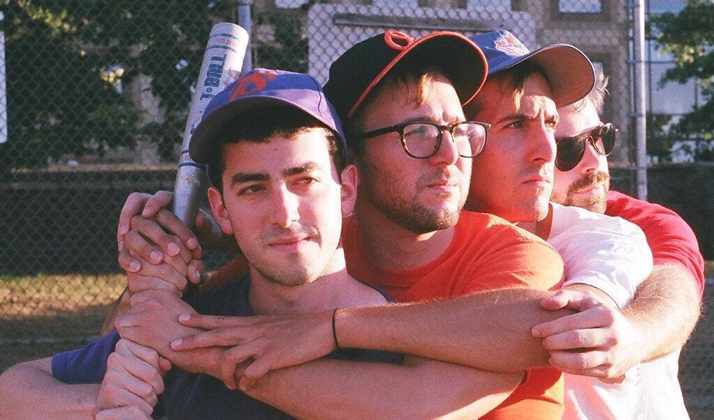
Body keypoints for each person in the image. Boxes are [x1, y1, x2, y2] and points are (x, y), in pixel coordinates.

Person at [0, 69, 521, 420]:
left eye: (304, 180)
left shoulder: (407, 346)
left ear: (347, 189)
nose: (284, 213)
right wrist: (103, 403)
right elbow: (15, 388)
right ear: (220, 209)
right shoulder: (180, 326)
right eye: (253, 189)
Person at [112, 30, 573, 419]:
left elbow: (432, 397)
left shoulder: (509, 254)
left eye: (457, 130)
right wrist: (156, 267)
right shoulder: (300, 257)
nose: (450, 155)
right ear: (353, 167)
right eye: (418, 133)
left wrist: (328, 328)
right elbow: (141, 329)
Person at [542, 69, 703, 419]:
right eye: (568, 149)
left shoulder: (642, 221)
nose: (594, 162)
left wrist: (635, 335)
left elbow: (676, 290)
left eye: (600, 138)